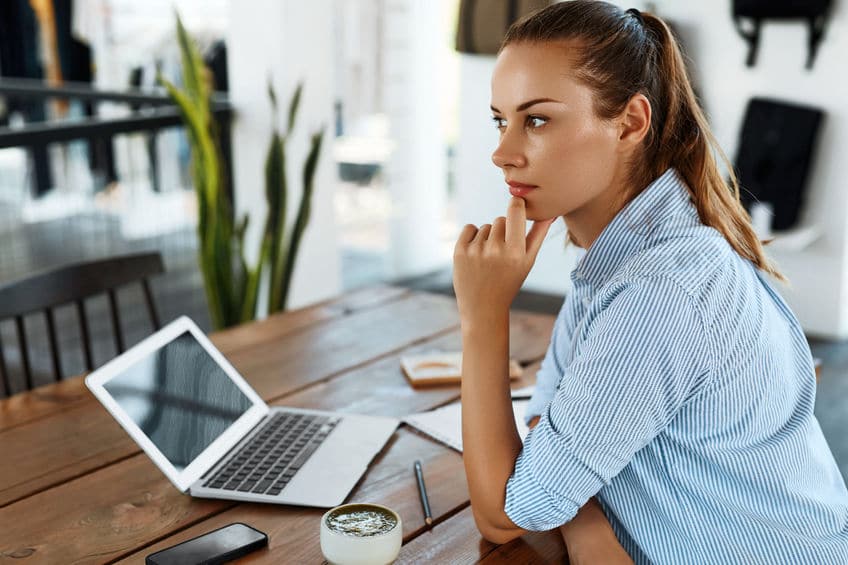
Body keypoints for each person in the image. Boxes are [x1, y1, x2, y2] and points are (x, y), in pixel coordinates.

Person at [451, 2, 848, 563]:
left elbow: (505, 513)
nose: (502, 152)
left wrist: (482, 318)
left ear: (631, 122)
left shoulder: (660, 292)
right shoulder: (624, 257)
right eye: (501, 119)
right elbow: (548, 411)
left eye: (536, 119)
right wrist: (586, 525)